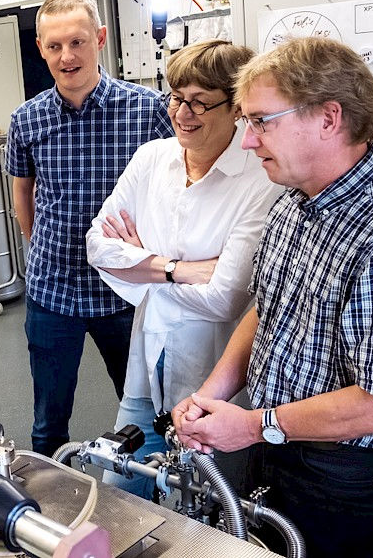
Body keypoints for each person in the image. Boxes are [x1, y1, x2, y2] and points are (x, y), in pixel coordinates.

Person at [173, 37, 373, 558]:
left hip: (345, 478)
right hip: (275, 446)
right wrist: (213, 396)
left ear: (329, 118)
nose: (247, 140)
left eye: (262, 121)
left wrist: (255, 425)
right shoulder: (292, 204)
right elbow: (268, 309)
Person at [86, 40, 280, 497]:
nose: (182, 112)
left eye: (199, 101)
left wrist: (139, 268)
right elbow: (98, 245)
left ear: (236, 108)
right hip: (144, 367)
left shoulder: (259, 179)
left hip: (212, 383)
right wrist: (177, 269)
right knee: (119, 489)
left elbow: (225, 299)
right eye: (175, 97)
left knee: (208, 508)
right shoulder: (152, 158)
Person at [6, 0, 173, 456]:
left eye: (77, 42)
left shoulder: (148, 110)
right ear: (40, 48)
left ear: (99, 39)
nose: (67, 56)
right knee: (48, 422)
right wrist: (32, 237)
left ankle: (151, 504)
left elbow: (177, 180)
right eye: (54, 46)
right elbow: (23, 186)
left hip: (125, 290)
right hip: (53, 289)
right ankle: (47, 514)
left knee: (142, 412)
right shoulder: (27, 119)